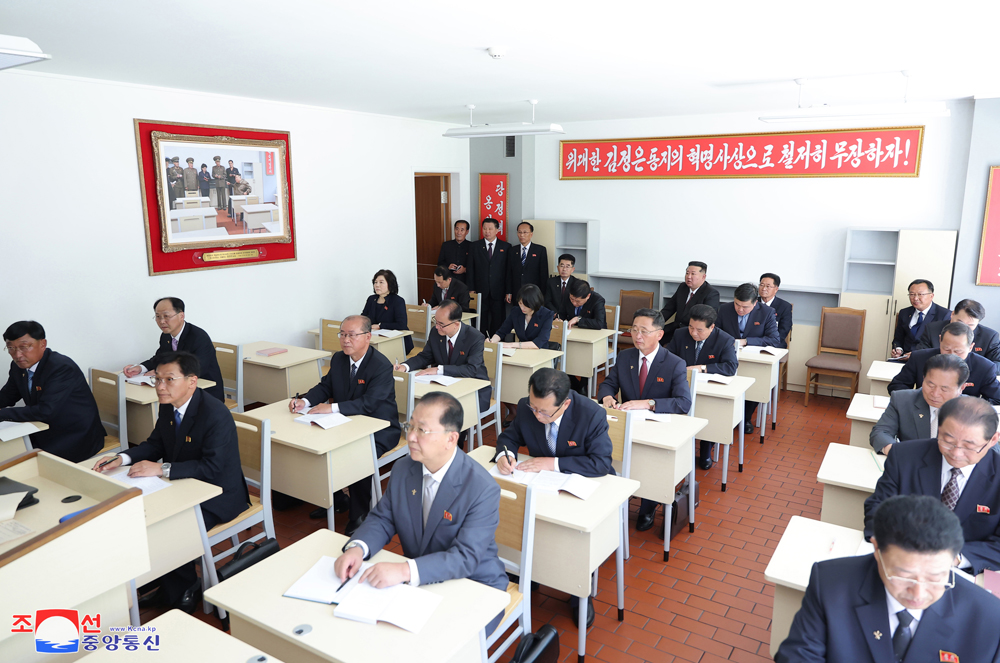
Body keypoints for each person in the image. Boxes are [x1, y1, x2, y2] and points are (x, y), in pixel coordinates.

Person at [333, 392, 509, 635]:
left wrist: (405, 570)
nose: (411, 437)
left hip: (473, 584)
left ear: (451, 438)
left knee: (442, 646)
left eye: (422, 430)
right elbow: (384, 517)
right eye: (410, 426)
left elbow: (465, 558)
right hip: (420, 580)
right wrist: (358, 547)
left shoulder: (481, 488)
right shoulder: (404, 468)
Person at [94, 351, 250, 613]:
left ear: (191, 381)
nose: (160, 387)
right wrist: (121, 459)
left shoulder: (215, 414)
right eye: (157, 379)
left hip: (219, 494)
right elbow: (156, 444)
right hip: (182, 484)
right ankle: (167, 584)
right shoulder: (168, 406)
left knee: (172, 524)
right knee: (144, 518)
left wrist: (161, 469)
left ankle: (187, 586)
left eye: (169, 379)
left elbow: (212, 467)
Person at [775, 494, 1000, 663]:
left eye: (936, 576)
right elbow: (798, 656)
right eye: (903, 574)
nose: (919, 593)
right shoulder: (832, 583)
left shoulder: (989, 618)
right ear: (876, 549)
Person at [494, 367, 613, 628]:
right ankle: (531, 571)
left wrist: (553, 463)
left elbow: (601, 463)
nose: (536, 415)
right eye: (533, 408)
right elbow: (509, 436)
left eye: (544, 412)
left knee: (571, 535)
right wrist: (505, 454)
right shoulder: (528, 406)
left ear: (566, 403)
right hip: (542, 487)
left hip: (582, 486)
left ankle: (577, 591)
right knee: (520, 515)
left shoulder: (591, 414)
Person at [289, 316, 401, 535]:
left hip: (379, 428)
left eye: (352, 335)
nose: (345, 340)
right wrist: (306, 401)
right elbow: (326, 387)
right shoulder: (339, 359)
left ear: (368, 337)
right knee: (315, 448)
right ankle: (336, 498)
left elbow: (370, 404)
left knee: (357, 454)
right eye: (342, 334)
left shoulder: (381, 365)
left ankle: (359, 514)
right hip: (346, 423)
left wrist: (331, 408)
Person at [863, 396, 1000, 574]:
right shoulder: (905, 456)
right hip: (901, 560)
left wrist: (955, 558)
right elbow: (878, 508)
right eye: (948, 441)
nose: (956, 453)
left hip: (963, 571)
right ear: (938, 428)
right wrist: (895, 546)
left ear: (993, 440)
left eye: (969, 446)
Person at [597, 309, 690, 532]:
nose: (637, 336)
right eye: (634, 330)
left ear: (659, 334)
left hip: (657, 426)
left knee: (649, 462)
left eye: (644, 331)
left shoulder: (674, 363)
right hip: (627, 422)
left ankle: (648, 505)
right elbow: (609, 382)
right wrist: (607, 396)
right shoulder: (626, 356)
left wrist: (649, 403)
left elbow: (683, 403)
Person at [1, 321, 104, 462]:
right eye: (11, 348)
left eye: (24, 347)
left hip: (75, 434)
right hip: (43, 429)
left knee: (23, 459)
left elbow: (45, 411)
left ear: (43, 344)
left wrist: (2, 414)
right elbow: (8, 395)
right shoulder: (18, 366)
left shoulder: (61, 367)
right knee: (8, 449)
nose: (17, 355)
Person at [395, 301, 490, 448]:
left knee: (453, 414)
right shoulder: (436, 332)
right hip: (444, 387)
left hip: (474, 390)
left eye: (441, 324)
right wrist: (405, 366)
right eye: (435, 321)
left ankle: (454, 450)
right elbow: (425, 356)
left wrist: (439, 369)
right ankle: (429, 446)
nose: (437, 326)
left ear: (456, 324)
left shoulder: (475, 337)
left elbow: (471, 369)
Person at [666, 304, 739, 469]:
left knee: (709, 413)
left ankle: (706, 450)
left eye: (699, 330)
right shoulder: (680, 334)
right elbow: (667, 358)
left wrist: (702, 367)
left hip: (708, 390)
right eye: (691, 327)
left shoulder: (725, 339)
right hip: (681, 386)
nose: (693, 333)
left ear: (712, 327)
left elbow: (730, 367)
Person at [122, 297, 225, 403]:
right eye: (158, 317)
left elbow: (199, 368)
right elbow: (160, 358)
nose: (162, 321)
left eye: (166, 316)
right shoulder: (166, 336)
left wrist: (162, 373)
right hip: (176, 389)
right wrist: (141, 367)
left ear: (181, 316)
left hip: (205, 391)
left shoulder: (198, 336)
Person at [870, 354, 969, 455]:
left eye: (944, 389)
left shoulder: (973, 411)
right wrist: (897, 453)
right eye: (930, 385)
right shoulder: (902, 400)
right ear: (923, 378)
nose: (935, 394)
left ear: (961, 388)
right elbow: (881, 432)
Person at [717, 282, 779, 434]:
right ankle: (727, 416)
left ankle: (745, 418)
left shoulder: (767, 312)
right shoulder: (724, 309)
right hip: (728, 357)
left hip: (753, 360)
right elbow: (715, 333)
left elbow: (774, 339)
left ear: (755, 303)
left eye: (745, 307)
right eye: (737, 304)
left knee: (755, 384)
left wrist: (747, 341)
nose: (740, 309)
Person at [888, 321, 1000, 404]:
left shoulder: (984, 367)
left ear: (971, 347)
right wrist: (918, 400)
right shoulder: (919, 358)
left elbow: (996, 397)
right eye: (946, 349)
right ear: (940, 340)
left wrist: (970, 406)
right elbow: (896, 385)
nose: (951, 355)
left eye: (958, 351)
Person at [916, 299, 1000, 372]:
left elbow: (998, 364)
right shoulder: (932, 329)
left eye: (970, 325)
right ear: (952, 314)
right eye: (960, 322)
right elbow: (920, 356)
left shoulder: (990, 336)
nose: (963, 328)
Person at [559, 279, 607, 394]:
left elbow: (600, 323)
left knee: (584, 355)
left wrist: (578, 319)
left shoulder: (598, 300)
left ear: (588, 296)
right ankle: (573, 383)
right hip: (572, 336)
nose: (574, 303)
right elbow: (562, 313)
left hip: (591, 338)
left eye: (578, 301)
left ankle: (584, 384)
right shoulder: (567, 295)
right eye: (572, 300)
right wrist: (560, 320)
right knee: (565, 354)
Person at [466, 217, 511, 338]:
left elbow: (508, 271)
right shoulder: (475, 246)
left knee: (498, 319)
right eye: (485, 228)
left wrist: (508, 291)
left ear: (497, 230)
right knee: (480, 319)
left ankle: (495, 343)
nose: (487, 231)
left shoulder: (506, 247)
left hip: (499, 290)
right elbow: (470, 269)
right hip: (480, 290)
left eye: (490, 228)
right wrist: (471, 289)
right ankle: (480, 342)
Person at [660, 261, 721, 343]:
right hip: (675, 328)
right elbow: (668, 309)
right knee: (654, 336)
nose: (688, 277)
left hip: (692, 332)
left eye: (693, 274)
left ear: (703, 276)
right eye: (687, 273)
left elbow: (707, 320)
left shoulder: (711, 293)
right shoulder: (683, 287)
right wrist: (654, 323)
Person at [891, 279, 950, 358]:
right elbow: (898, 339)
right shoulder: (904, 313)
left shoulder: (944, 315)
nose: (915, 298)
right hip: (903, 358)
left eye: (920, 294)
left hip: (927, 361)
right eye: (912, 294)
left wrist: (916, 355)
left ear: (931, 296)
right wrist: (898, 350)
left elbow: (941, 346)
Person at [361, 269, 413, 355]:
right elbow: (363, 317)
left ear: (390, 284)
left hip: (397, 341)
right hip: (375, 339)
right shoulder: (371, 299)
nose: (377, 285)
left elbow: (401, 324)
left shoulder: (398, 301)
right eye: (375, 282)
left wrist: (380, 326)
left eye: (381, 282)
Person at [489, 284, 554, 351]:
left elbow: (539, 342)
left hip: (541, 352)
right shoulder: (516, 311)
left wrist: (511, 345)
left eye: (526, 305)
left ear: (534, 303)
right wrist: (492, 340)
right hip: (521, 351)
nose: (522, 308)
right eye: (520, 303)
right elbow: (502, 331)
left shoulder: (547, 315)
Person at [507, 221, 549, 300]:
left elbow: (543, 274)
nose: (522, 235)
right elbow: (508, 273)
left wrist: (542, 293)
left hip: (533, 292)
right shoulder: (512, 250)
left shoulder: (540, 250)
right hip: (516, 291)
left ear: (531, 234)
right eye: (519, 232)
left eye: (525, 232)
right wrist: (508, 292)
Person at [758, 272, 793, 348]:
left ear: (776, 289)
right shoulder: (752, 303)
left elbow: (783, 330)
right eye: (761, 285)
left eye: (768, 286)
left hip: (774, 344)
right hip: (753, 342)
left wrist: (767, 343)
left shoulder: (785, 306)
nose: (764, 289)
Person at [437, 219, 472, 284]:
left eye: (462, 230)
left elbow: (476, 265)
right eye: (457, 229)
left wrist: (464, 269)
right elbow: (440, 263)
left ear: (467, 232)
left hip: (466, 282)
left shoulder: (472, 246)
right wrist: (448, 267)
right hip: (449, 281)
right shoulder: (446, 245)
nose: (459, 233)